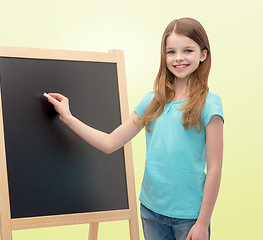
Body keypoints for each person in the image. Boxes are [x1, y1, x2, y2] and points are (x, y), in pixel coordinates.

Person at [45, 17, 224, 240]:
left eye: (188, 50)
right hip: (151, 212)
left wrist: (203, 222)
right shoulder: (153, 101)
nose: (178, 58)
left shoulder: (210, 104)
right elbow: (110, 143)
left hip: (190, 217)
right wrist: (69, 117)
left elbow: (215, 169)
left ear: (203, 54)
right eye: (171, 52)